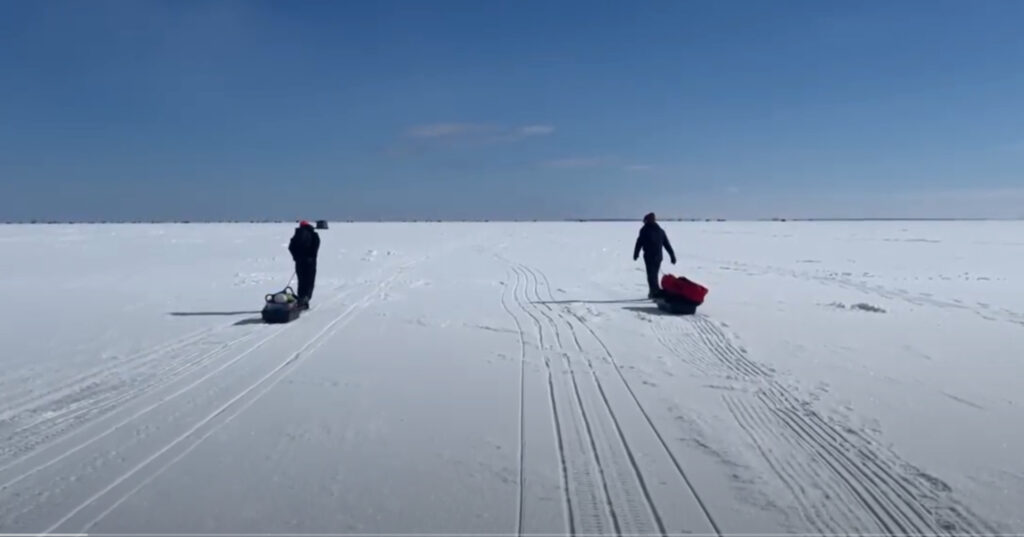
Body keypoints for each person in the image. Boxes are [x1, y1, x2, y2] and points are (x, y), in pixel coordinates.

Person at [633, 212, 676, 298]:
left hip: (649, 257)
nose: (644, 222)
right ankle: (654, 291)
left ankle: (654, 292)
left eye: (645, 221)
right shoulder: (660, 231)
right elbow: (667, 245)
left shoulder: (644, 230)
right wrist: (672, 256)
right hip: (658, 257)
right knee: (654, 274)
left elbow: (639, 243)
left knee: (651, 275)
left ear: (647, 220)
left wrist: (636, 254)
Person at [288, 220, 320, 309]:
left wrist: (296, 257)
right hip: (310, 263)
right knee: (309, 281)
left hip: (299, 262)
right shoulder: (314, 234)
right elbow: (315, 247)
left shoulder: (297, 234)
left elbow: (291, 247)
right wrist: (311, 257)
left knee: (301, 280)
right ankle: (305, 299)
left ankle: (301, 298)